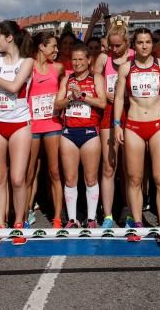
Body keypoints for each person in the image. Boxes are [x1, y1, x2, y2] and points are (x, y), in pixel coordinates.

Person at [113, 28, 160, 244]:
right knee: (135, 178)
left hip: (158, 123)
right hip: (133, 125)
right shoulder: (125, 68)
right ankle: (137, 223)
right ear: (134, 45)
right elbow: (119, 98)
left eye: (148, 42)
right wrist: (117, 125)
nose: (145, 46)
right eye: (140, 42)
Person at [0, 21, 35, 246]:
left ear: (9, 37)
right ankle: (0, 225)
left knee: (17, 178)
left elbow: (14, 87)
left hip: (20, 123)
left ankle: (19, 223)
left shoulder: (27, 61)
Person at [54, 44, 106, 229]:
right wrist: (70, 97)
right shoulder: (67, 79)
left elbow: (102, 102)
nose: (76, 63)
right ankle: (72, 219)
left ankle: (91, 218)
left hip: (90, 132)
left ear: (88, 60)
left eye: (80, 59)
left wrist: (82, 96)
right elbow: (57, 104)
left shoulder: (96, 78)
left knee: (91, 178)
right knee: (70, 178)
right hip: (69, 133)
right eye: (74, 59)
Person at [93, 19, 134, 229]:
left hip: (133, 114)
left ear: (127, 42)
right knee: (109, 166)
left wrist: (124, 94)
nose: (114, 49)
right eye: (111, 45)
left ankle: (129, 211)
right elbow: (93, 82)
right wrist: (105, 94)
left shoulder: (136, 57)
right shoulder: (103, 59)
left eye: (118, 45)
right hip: (108, 115)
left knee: (131, 169)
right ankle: (107, 214)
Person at [26, 31, 65, 229]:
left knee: (55, 171)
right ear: (41, 46)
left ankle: (58, 217)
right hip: (32, 124)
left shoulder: (58, 68)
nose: (57, 50)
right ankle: (26, 212)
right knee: (30, 171)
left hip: (52, 124)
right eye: (53, 46)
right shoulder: (28, 66)